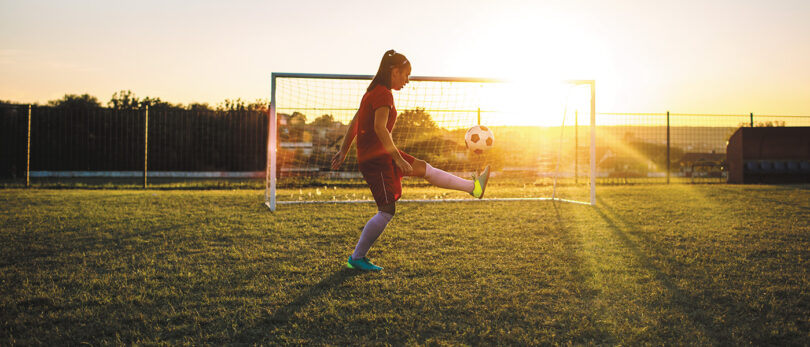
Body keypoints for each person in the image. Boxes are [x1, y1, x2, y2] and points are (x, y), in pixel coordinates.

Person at [331, 49, 490, 271]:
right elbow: (378, 128)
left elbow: (356, 121)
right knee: (386, 210)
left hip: (380, 154)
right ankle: (357, 258)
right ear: (394, 71)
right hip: (377, 159)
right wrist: (396, 158)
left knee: (426, 169)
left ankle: (473, 188)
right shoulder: (383, 94)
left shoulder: (373, 92)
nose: (407, 80)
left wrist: (344, 149)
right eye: (405, 75)